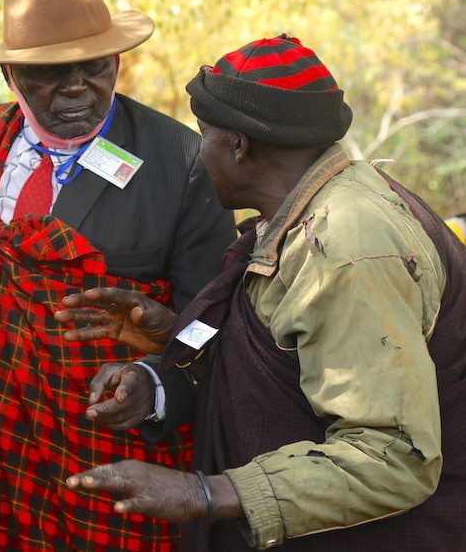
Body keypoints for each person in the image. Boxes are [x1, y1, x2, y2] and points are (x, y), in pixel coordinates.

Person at [62, 35, 466, 550]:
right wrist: (172, 337)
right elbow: (298, 364)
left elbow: (390, 458)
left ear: (238, 145)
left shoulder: (347, 246)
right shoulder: (309, 212)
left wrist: (203, 492)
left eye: (202, 132)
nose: (198, 148)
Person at [0, 0, 234, 550]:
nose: (75, 87)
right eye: (48, 73)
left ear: (116, 63)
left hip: (114, 454)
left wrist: (156, 378)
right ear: (11, 77)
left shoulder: (183, 161)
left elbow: (212, 321)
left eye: (93, 67)